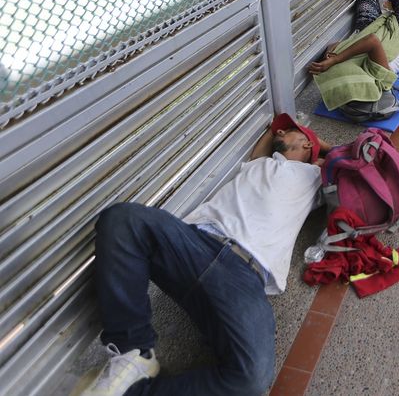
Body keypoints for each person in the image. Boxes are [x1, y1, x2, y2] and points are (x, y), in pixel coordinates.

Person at [80, 113, 332, 395]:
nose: (281, 133)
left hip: (245, 274)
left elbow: (349, 157)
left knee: (251, 380)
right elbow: (269, 136)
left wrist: (319, 143)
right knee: (122, 219)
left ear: (309, 146)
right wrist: (288, 134)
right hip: (196, 241)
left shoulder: (314, 178)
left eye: (289, 132)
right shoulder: (259, 164)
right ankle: (134, 351)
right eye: (281, 132)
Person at [310, 0, 399, 77]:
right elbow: (372, 41)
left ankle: (388, 13)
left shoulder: (344, 71)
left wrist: (330, 57)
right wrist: (335, 60)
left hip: (367, 32)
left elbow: (334, 46)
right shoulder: (381, 76)